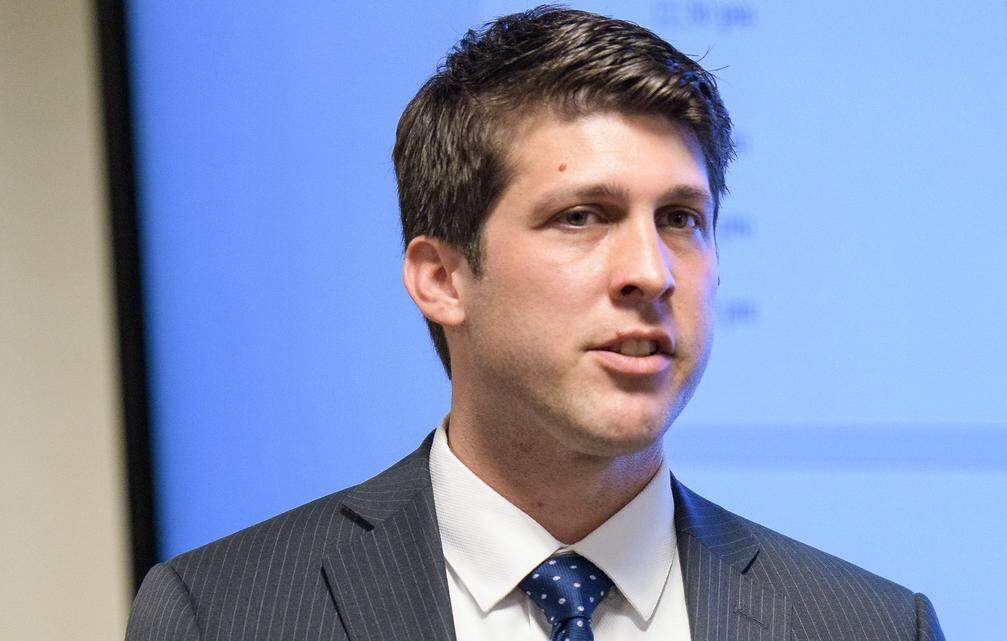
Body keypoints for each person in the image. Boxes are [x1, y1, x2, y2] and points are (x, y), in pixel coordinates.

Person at [126, 7, 945, 641]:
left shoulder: (870, 624)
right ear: (441, 277)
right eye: (583, 215)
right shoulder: (222, 613)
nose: (652, 271)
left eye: (680, 218)